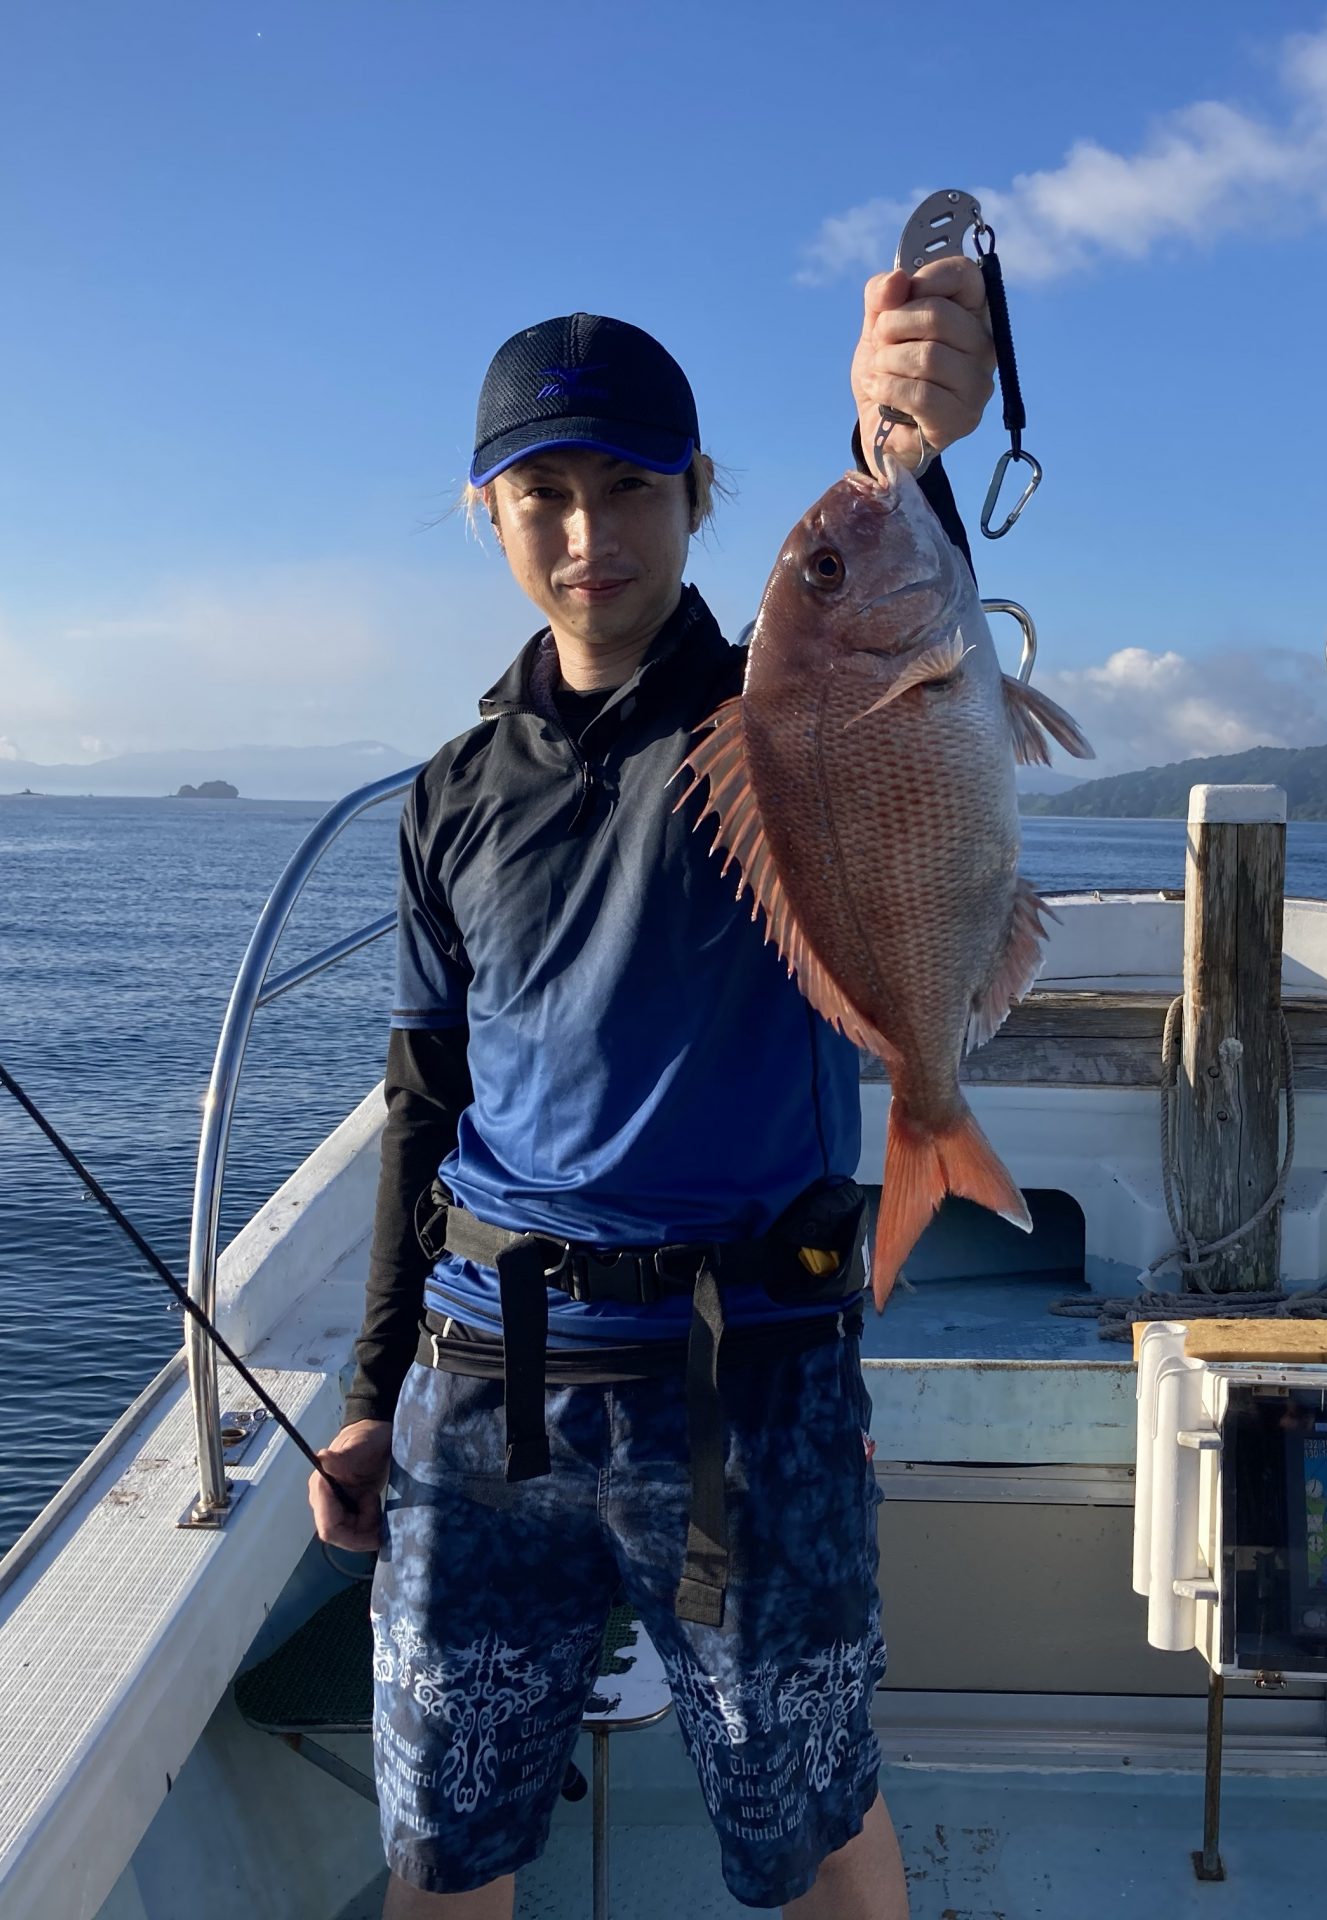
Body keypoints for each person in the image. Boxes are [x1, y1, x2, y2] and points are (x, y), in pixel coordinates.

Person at [307, 262, 999, 1917]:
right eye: (543, 492)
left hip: (747, 1372)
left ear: (698, 497)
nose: (586, 532)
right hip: (488, 1375)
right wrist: (371, 1388)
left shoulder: (780, 709)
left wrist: (906, 436)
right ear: (487, 514)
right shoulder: (449, 793)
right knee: (443, 1835)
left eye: (629, 486)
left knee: (812, 1814)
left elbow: (896, 631)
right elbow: (425, 1106)